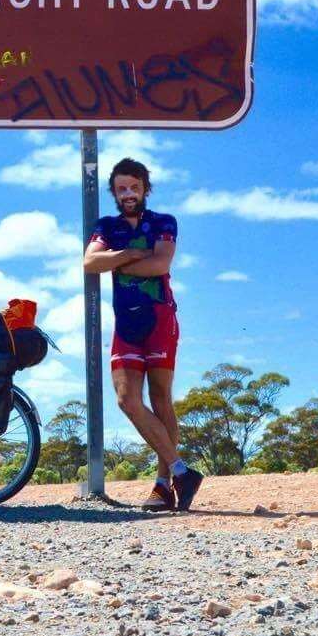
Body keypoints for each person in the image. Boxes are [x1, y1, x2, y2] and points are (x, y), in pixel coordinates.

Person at [83, 157, 202, 512]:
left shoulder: (164, 222)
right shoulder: (107, 226)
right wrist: (134, 253)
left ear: (145, 189)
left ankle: (163, 486)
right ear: (114, 192)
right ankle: (182, 471)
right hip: (127, 322)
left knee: (161, 397)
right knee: (126, 399)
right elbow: (90, 262)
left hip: (160, 316)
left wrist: (116, 261)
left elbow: (161, 264)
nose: (128, 193)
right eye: (122, 188)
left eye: (134, 187)